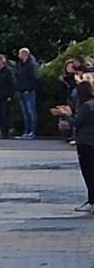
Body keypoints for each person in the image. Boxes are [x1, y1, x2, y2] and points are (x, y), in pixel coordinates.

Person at [57, 75, 94, 210]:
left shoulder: (86, 106)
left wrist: (65, 114)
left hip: (85, 142)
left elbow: (76, 124)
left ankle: (91, 201)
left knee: (88, 173)